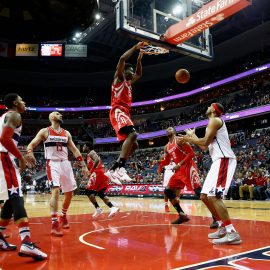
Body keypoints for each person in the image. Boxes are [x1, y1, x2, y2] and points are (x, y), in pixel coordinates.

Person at [182, 103, 242, 245]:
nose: (207, 107)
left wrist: (190, 138)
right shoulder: (211, 124)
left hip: (224, 159)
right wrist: (193, 136)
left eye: (210, 105)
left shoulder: (215, 120)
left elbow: (204, 141)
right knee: (204, 196)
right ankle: (222, 227)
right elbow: (203, 146)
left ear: (214, 109)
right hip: (217, 161)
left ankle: (232, 232)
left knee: (214, 196)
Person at [26, 111, 89, 237]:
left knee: (70, 194)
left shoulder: (66, 133)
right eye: (58, 114)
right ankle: (54, 223)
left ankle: (63, 215)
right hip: (52, 163)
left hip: (65, 163)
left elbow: (74, 150)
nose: (61, 115)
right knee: (55, 191)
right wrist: (29, 152)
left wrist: (83, 165)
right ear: (52, 117)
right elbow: (31, 144)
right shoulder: (45, 131)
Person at [0, 93, 47, 260]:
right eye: (21, 99)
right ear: (14, 103)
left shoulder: (4, 117)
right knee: (17, 198)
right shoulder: (14, 114)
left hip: (3, 157)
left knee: (9, 200)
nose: (24, 102)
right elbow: (4, 139)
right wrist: (20, 158)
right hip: (3, 158)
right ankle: (26, 242)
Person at [107, 42, 144, 182]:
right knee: (133, 134)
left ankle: (113, 170)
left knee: (134, 145)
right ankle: (121, 167)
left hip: (125, 112)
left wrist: (139, 59)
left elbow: (139, 74)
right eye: (131, 70)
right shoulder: (119, 78)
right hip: (118, 110)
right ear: (124, 71)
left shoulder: (129, 82)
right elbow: (122, 59)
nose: (133, 72)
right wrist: (135, 48)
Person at [158, 127, 202, 224]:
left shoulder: (179, 140)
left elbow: (191, 154)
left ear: (174, 131)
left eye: (170, 128)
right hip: (179, 171)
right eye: (167, 129)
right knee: (168, 190)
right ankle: (182, 215)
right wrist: (159, 161)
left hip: (188, 167)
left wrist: (179, 164)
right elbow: (167, 161)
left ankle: (216, 217)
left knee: (199, 193)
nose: (168, 130)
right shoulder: (166, 147)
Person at [82, 142, 119, 219]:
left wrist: (92, 171)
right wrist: (80, 166)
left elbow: (97, 160)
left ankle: (98, 208)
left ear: (88, 147)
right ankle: (112, 208)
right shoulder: (88, 156)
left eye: (84, 146)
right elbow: (89, 167)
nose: (83, 147)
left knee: (88, 191)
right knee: (100, 193)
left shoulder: (91, 152)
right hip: (101, 173)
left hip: (98, 172)